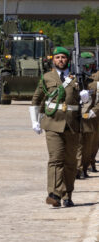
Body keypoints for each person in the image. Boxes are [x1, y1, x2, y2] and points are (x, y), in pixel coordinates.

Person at [30, 46, 90, 207]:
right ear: (53, 60)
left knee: (70, 162)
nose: (60, 60)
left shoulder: (78, 78)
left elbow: (88, 100)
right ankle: (54, 194)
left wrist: (86, 98)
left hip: (72, 124)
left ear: (68, 60)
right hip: (52, 123)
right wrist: (34, 121)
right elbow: (36, 100)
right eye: (57, 57)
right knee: (56, 159)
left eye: (63, 57)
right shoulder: (47, 77)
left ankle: (67, 194)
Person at [76, 53, 98, 179]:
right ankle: (78, 170)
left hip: (90, 119)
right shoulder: (72, 81)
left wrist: (93, 111)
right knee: (78, 146)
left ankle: (84, 167)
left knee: (88, 147)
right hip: (75, 118)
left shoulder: (94, 82)